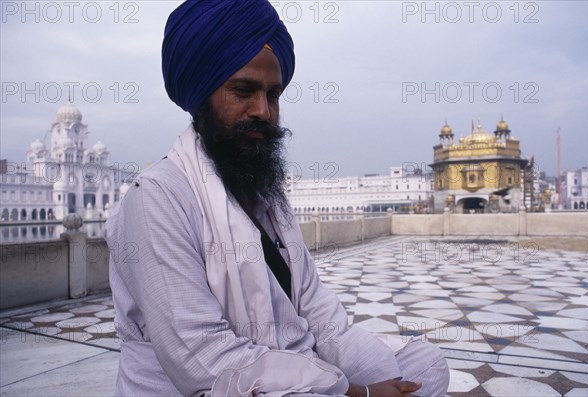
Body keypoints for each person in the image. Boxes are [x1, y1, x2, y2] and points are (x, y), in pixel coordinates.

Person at [105, 1, 450, 396]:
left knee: (426, 366)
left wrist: (375, 377)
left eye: (273, 95)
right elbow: (202, 359)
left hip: (293, 365)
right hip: (209, 386)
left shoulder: (266, 197)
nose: (263, 111)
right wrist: (358, 392)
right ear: (201, 100)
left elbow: (321, 315)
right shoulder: (157, 197)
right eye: (243, 91)